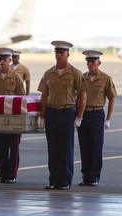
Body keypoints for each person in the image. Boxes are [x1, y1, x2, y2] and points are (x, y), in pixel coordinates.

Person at [37, 40, 87, 190]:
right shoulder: (48, 73)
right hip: (52, 112)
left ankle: (65, 180)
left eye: (62, 52)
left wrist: (79, 117)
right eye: (57, 52)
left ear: (68, 54)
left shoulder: (75, 73)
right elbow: (44, 96)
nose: (59, 55)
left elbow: (82, 96)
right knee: (53, 148)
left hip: (67, 112)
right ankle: (54, 179)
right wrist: (43, 116)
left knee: (66, 148)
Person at [77, 50, 117, 186]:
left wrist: (108, 119)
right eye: (88, 61)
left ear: (99, 63)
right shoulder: (82, 78)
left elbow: (112, 98)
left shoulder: (106, 78)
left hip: (97, 114)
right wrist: (78, 116)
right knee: (84, 146)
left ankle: (94, 177)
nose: (90, 64)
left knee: (96, 147)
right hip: (84, 115)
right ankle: (85, 176)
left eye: (93, 61)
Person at [0, 48, 25, 183]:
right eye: (0, 59)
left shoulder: (16, 77)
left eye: (5, 59)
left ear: (10, 60)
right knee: (0, 147)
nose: (2, 62)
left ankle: (12, 175)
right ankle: (2, 173)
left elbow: (22, 98)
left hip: (13, 118)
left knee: (13, 147)